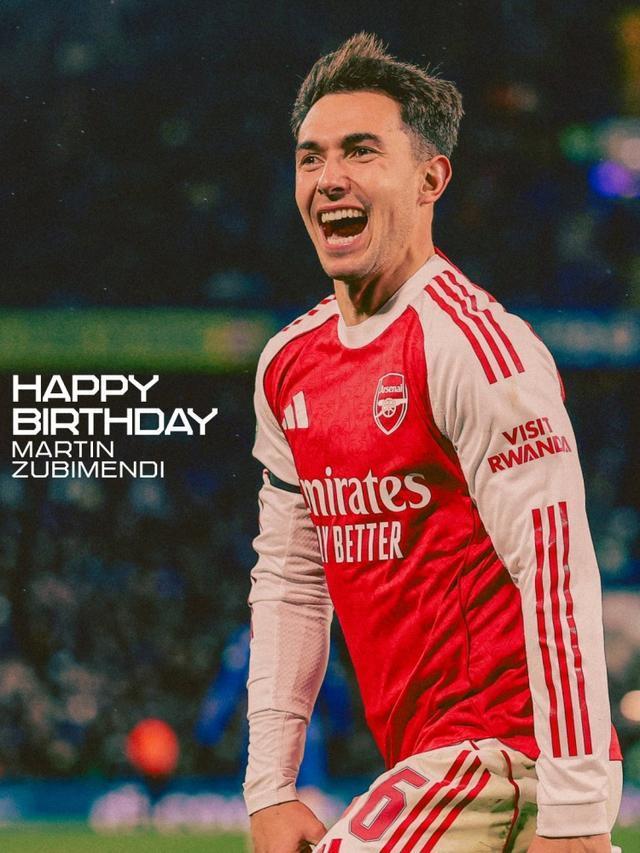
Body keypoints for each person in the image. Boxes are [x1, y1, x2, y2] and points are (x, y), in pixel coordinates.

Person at [244, 33, 623, 853]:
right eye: (311, 158)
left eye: (360, 151)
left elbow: (555, 569)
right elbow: (291, 580)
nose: (329, 177)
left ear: (430, 179)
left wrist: (577, 812)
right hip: (431, 761)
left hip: (510, 756)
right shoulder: (289, 365)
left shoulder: (476, 348)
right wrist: (270, 785)